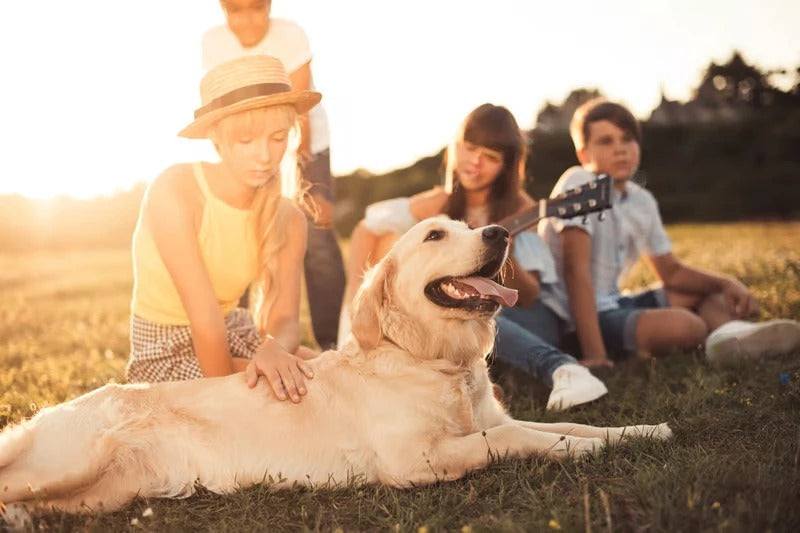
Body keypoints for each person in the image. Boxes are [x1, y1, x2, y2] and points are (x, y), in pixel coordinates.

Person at [341, 103, 608, 410]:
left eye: (491, 157)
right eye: (469, 148)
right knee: (451, 311)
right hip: (475, 324)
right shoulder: (438, 204)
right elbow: (366, 229)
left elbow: (531, 294)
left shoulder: (521, 209)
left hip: (530, 317)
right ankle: (471, 383)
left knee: (478, 306)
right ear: (456, 147)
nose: (475, 162)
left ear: (506, 167)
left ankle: (562, 368)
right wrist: (355, 304)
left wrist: (500, 252)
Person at [539, 98, 800, 368]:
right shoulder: (579, 182)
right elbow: (575, 270)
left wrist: (725, 283)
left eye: (627, 139)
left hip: (614, 303)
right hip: (573, 318)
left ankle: (734, 338)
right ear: (584, 154)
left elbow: (671, 272)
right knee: (688, 326)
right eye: (606, 141)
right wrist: (595, 354)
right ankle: (712, 336)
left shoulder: (642, 200)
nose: (620, 149)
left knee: (710, 294)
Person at [126, 54, 321, 404]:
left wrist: (273, 349)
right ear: (216, 136)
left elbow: (286, 318)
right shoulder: (175, 190)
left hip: (233, 330)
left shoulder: (290, 218)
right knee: (284, 391)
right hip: (163, 347)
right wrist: (247, 385)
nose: (264, 155)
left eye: (277, 137)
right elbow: (205, 323)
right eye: (246, 141)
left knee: (327, 372)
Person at [203, 0, 345, 349]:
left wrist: (303, 172)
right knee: (242, 231)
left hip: (300, 140)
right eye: (236, 11)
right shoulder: (213, 42)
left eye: (256, 8)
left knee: (316, 236)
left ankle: (335, 343)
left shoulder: (290, 35)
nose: (247, 20)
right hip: (248, 144)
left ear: (269, 7)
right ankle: (236, 337)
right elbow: (222, 108)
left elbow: (300, 110)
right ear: (223, 10)